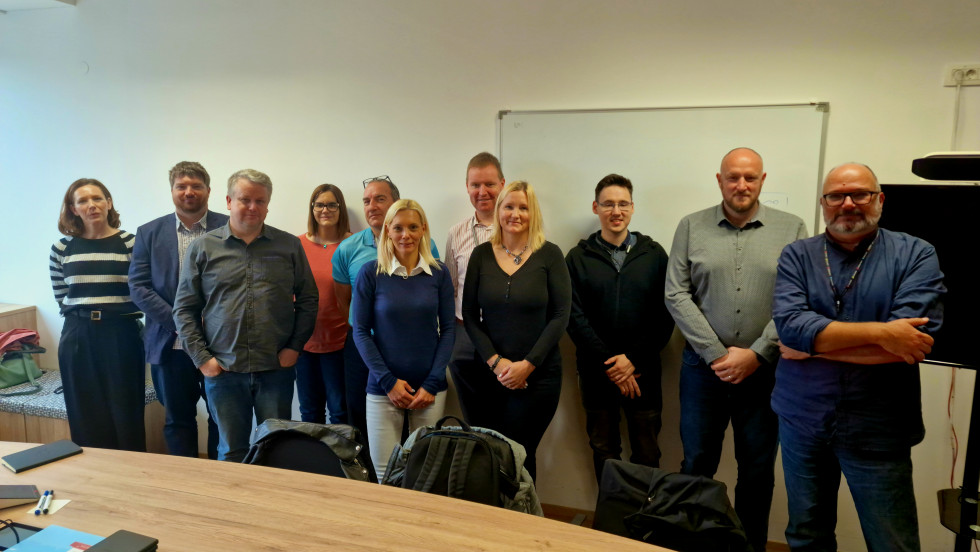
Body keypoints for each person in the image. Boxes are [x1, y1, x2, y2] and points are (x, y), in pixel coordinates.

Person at [772, 163, 945, 551]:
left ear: (879, 199)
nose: (848, 203)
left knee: (892, 542)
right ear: (823, 204)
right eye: (837, 195)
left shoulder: (915, 253)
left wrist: (814, 346)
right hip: (803, 419)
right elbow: (790, 327)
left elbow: (914, 341)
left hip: (879, 426)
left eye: (860, 194)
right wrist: (885, 334)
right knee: (805, 534)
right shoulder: (797, 256)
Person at [665, 147, 808, 552]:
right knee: (696, 465)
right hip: (701, 371)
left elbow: (797, 299)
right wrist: (716, 353)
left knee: (758, 471)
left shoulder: (793, 227)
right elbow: (676, 294)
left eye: (750, 177)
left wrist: (758, 352)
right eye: (733, 177)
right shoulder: (691, 226)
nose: (741, 185)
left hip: (765, 374)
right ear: (719, 180)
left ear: (763, 179)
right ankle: (692, 544)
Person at [173, 169, 318, 463]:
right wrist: (203, 359)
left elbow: (308, 299)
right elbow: (184, 309)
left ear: (267, 205)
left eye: (260, 201)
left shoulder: (289, 245)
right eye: (245, 199)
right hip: (224, 371)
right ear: (228, 201)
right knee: (231, 451)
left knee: (277, 449)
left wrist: (294, 347)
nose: (253, 207)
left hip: (275, 368)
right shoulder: (203, 248)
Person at [565, 174, 674, 483]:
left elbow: (666, 315)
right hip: (597, 374)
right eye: (608, 204)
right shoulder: (576, 259)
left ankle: (645, 524)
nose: (616, 211)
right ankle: (612, 523)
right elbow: (574, 317)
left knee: (647, 452)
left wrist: (632, 361)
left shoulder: (654, 255)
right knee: (604, 451)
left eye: (623, 203)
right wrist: (613, 364)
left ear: (633, 207)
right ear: (595, 207)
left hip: (643, 374)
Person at [461, 180, 571, 480]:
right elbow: (469, 315)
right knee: (492, 451)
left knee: (520, 451)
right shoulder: (481, 255)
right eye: (509, 206)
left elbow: (561, 315)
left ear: (532, 213)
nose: (515, 214)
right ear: (498, 211)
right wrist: (497, 364)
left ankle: (524, 520)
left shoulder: (550, 255)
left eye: (523, 207)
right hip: (489, 374)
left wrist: (527, 365)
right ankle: (498, 521)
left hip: (538, 376)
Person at [332, 176, 439, 469]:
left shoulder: (428, 252)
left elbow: (432, 303)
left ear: (395, 204)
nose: (371, 206)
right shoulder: (349, 249)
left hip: (413, 351)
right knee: (364, 424)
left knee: (414, 439)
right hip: (364, 349)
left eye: (379, 198)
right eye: (366, 200)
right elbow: (345, 303)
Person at [352, 199, 455, 479]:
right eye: (398, 228)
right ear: (387, 230)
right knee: (385, 475)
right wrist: (388, 382)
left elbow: (448, 330)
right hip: (383, 388)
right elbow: (360, 331)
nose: (405, 235)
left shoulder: (439, 273)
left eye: (412, 227)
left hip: (429, 389)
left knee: (426, 473)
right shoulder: (371, 273)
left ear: (423, 229)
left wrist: (433, 382)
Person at [129, 161, 225, 459]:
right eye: (181, 186)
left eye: (196, 185)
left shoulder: (229, 227)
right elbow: (139, 287)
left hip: (220, 344)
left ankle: (219, 481)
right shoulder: (149, 232)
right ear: (172, 191)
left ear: (208, 190)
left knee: (222, 419)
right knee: (177, 421)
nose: (189, 192)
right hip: (169, 345)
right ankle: (184, 485)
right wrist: (183, 323)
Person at [49, 178, 146, 451]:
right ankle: (93, 474)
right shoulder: (61, 248)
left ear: (108, 202)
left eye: (97, 198)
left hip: (121, 332)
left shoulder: (131, 243)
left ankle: (131, 474)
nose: (91, 205)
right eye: (83, 201)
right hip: (77, 334)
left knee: (126, 408)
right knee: (83, 410)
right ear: (73, 208)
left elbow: (142, 291)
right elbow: (61, 296)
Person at [446, 152, 505, 422]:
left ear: (502, 184)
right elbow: (451, 286)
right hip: (465, 335)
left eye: (489, 184)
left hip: (506, 336)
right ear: (467, 188)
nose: (482, 192)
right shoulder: (455, 233)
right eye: (475, 185)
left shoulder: (520, 229)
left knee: (506, 417)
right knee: (474, 420)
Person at [296, 184, 352, 425]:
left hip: (342, 342)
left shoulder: (353, 244)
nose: (325, 210)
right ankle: (313, 462)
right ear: (312, 208)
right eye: (319, 204)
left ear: (340, 209)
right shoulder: (296, 245)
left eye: (331, 204)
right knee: (309, 412)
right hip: (304, 343)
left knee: (340, 411)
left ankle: (339, 463)